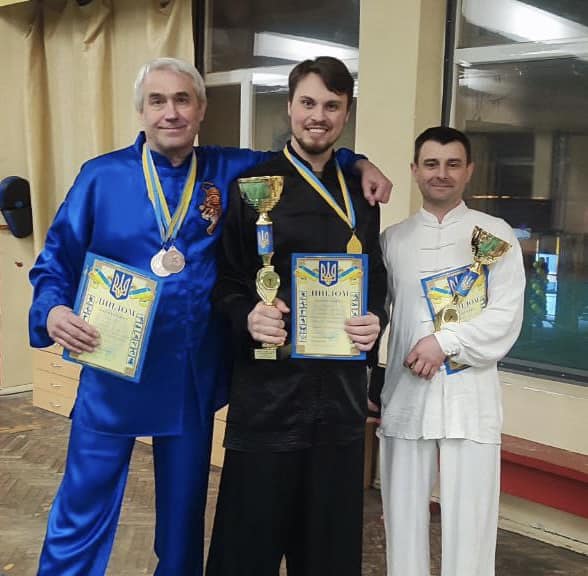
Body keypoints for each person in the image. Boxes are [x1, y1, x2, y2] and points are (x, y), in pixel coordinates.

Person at [28, 57, 391, 576]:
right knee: (82, 504)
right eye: (158, 101)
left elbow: (306, 150)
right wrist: (53, 310)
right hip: (111, 369)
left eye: (183, 100)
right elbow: (54, 262)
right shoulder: (100, 177)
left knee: (183, 520)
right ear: (141, 110)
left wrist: (358, 162)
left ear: (201, 109)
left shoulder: (228, 169)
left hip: (190, 376)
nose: (171, 113)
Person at [205, 56, 388, 576]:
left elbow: (375, 275)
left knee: (329, 557)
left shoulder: (362, 193)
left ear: (346, 113)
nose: (318, 116)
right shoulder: (252, 185)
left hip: (339, 406)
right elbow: (227, 279)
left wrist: (375, 318)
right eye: (308, 102)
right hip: (269, 399)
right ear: (289, 106)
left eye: (332, 105)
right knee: (245, 554)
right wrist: (247, 316)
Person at [375, 126, 525, 576]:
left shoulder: (495, 234)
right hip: (406, 396)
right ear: (414, 170)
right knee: (402, 521)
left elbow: (506, 317)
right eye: (431, 164)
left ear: (469, 171)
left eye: (453, 164)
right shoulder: (393, 240)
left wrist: (444, 342)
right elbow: (376, 314)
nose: (441, 174)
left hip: (470, 400)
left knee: (471, 526)